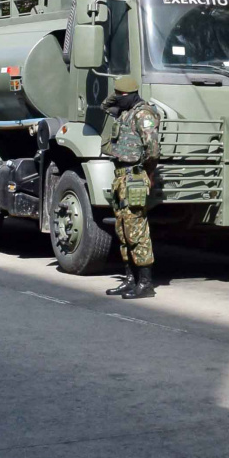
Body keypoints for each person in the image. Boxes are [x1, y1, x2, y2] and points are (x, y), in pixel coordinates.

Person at [102, 74, 163, 299]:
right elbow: (104, 106)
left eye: (121, 95)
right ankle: (130, 280)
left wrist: (148, 172)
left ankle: (145, 283)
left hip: (134, 176)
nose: (117, 99)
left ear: (132, 95)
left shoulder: (143, 114)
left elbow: (153, 150)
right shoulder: (125, 111)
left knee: (137, 230)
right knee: (123, 229)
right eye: (117, 95)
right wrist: (117, 94)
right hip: (121, 177)